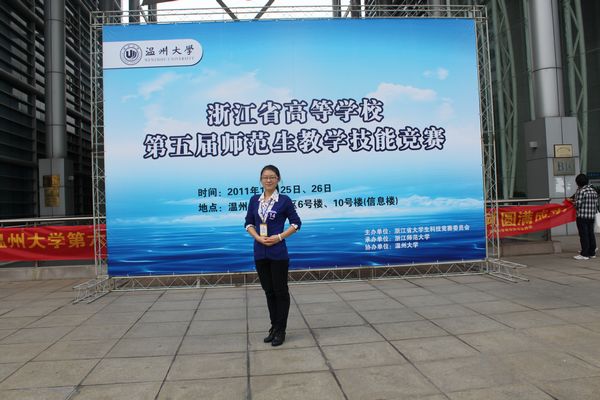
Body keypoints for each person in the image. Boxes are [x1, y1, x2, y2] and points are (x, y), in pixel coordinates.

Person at [244, 165, 301, 346]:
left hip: (278, 253)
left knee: (280, 292)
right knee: (269, 291)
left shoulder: (284, 200)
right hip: (260, 252)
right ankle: (274, 327)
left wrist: (279, 237)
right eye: (265, 177)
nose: (268, 180)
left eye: (272, 177)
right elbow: (248, 223)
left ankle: (281, 330)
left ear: (278, 179)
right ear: (261, 180)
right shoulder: (254, 200)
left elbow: (296, 223)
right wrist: (257, 237)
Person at [570, 173, 598, 260]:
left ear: (578, 183)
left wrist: (572, 203)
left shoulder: (581, 191)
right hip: (591, 216)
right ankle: (592, 253)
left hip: (582, 216)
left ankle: (584, 254)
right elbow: (596, 204)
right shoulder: (593, 191)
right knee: (591, 234)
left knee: (583, 235)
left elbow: (578, 204)